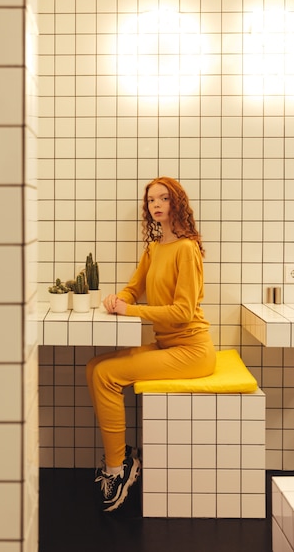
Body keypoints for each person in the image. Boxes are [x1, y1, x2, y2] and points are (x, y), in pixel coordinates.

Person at [86, 176, 216, 512]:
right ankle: (123, 455)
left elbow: (183, 311)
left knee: (106, 375)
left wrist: (131, 310)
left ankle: (119, 469)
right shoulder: (154, 248)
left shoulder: (186, 248)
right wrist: (118, 300)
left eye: (164, 199)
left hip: (192, 351)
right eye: (151, 201)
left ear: (178, 204)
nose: (155, 205)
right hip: (167, 345)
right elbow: (133, 288)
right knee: (93, 367)